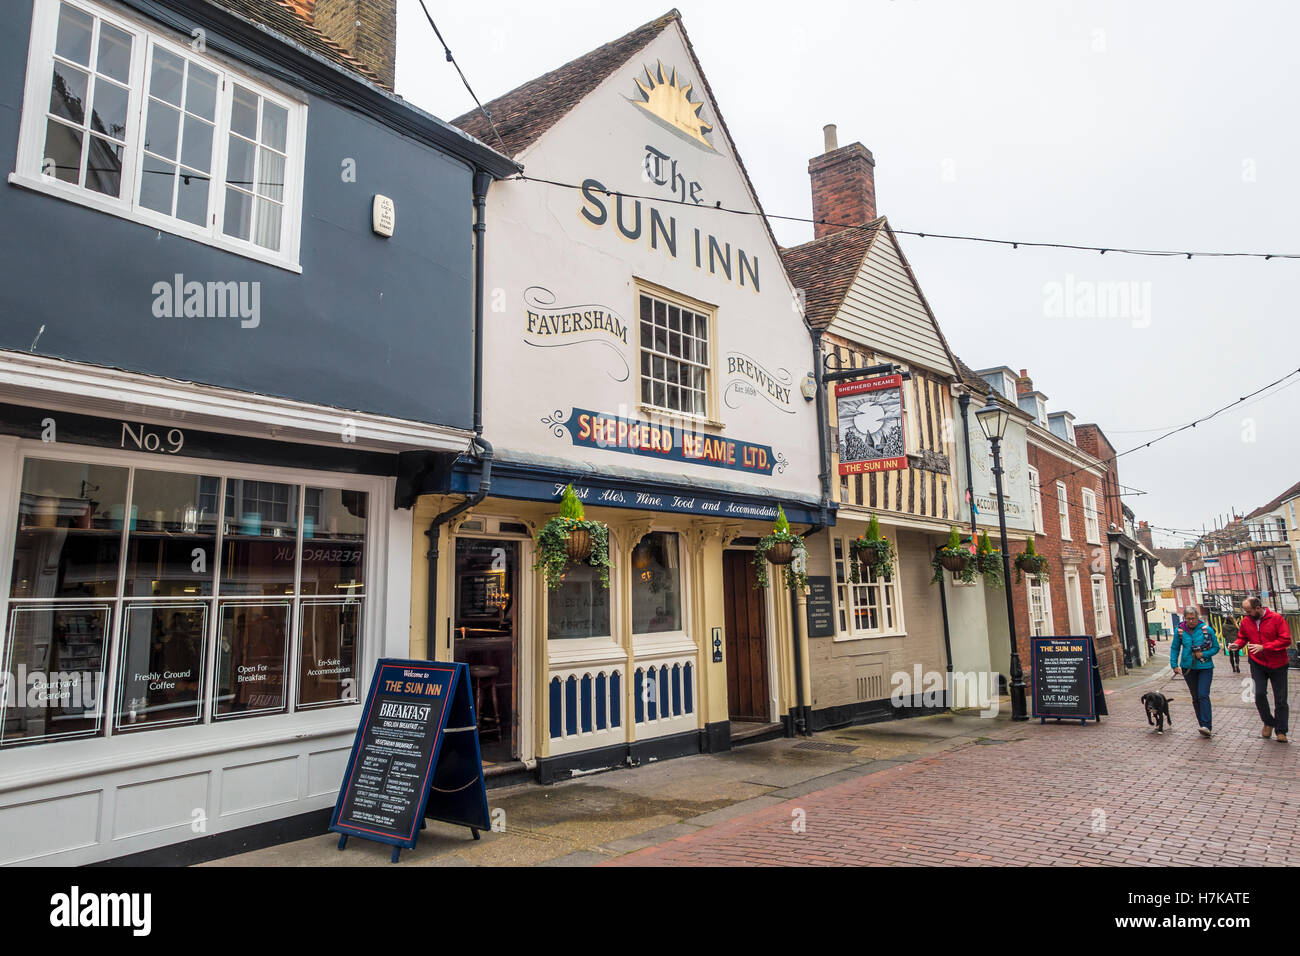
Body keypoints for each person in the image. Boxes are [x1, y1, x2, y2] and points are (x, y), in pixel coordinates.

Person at [1232, 597, 1292, 743]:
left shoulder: (1276, 619)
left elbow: (1286, 640)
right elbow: (1243, 637)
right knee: (1258, 693)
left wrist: (1265, 646)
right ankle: (1268, 722)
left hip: (1278, 663)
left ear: (1258, 608)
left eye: (1249, 611)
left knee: (1281, 698)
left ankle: (1281, 731)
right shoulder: (1246, 621)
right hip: (1257, 662)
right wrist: (1236, 645)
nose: (1247, 615)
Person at [1170, 605, 1218, 737]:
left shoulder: (1206, 630)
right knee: (1195, 697)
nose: (1191, 621)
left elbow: (1216, 647)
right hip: (1188, 668)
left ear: (1198, 618)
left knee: (1203, 694)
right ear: (1184, 618)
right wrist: (1174, 664)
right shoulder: (1180, 631)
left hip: (1205, 667)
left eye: (1193, 618)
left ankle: (1207, 725)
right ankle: (1202, 723)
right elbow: (1175, 648)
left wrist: (1204, 654)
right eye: (1188, 618)